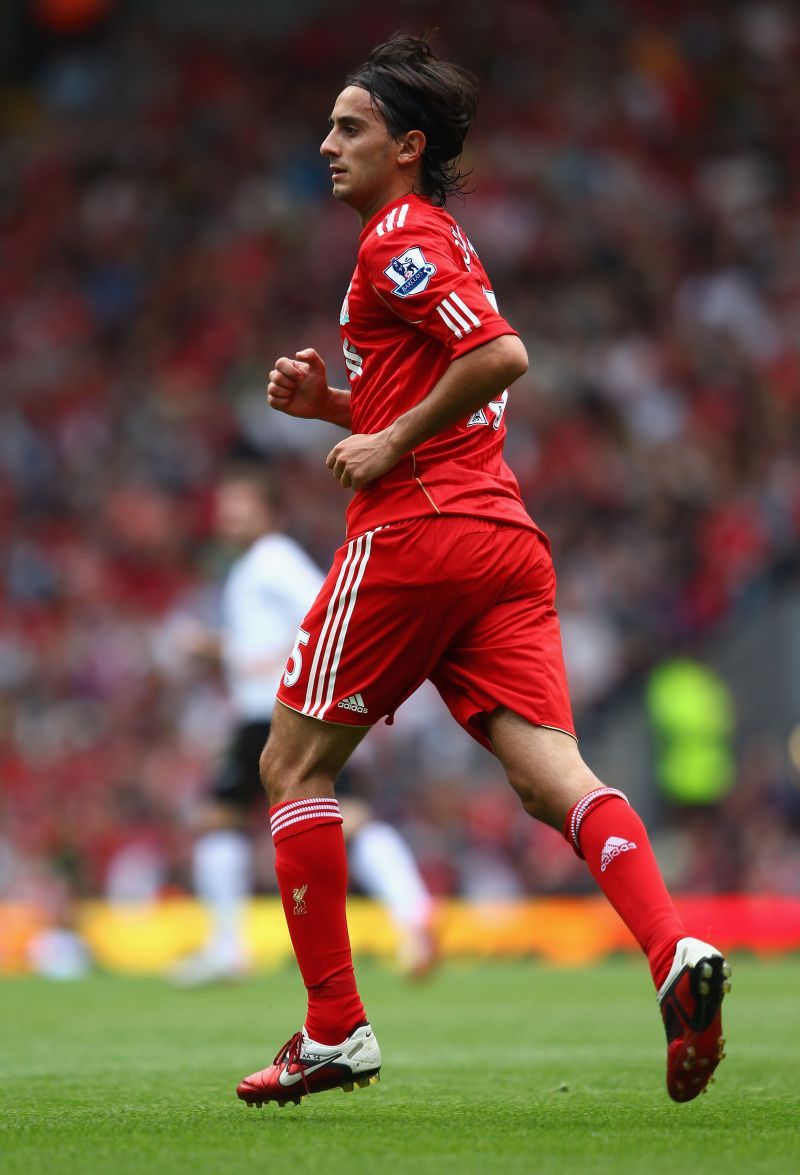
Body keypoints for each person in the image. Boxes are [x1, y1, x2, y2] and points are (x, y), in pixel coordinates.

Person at [236, 34, 730, 1109]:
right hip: (500, 539)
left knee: (290, 764)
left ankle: (334, 1030)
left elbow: (500, 355)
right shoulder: (432, 237)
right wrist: (333, 408)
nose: (325, 144)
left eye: (349, 127)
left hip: (418, 529)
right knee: (550, 773)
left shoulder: (398, 238)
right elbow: (454, 374)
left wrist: (382, 440)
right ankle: (671, 953)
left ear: (407, 147)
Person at [171, 466, 436, 985]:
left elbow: (327, 608)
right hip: (265, 714)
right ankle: (415, 917)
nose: (229, 515)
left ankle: (229, 948)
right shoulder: (251, 566)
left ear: (269, 512)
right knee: (312, 817)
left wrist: (235, 651)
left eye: (242, 503)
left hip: (280, 712)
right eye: (225, 505)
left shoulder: (274, 559)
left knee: (238, 820)